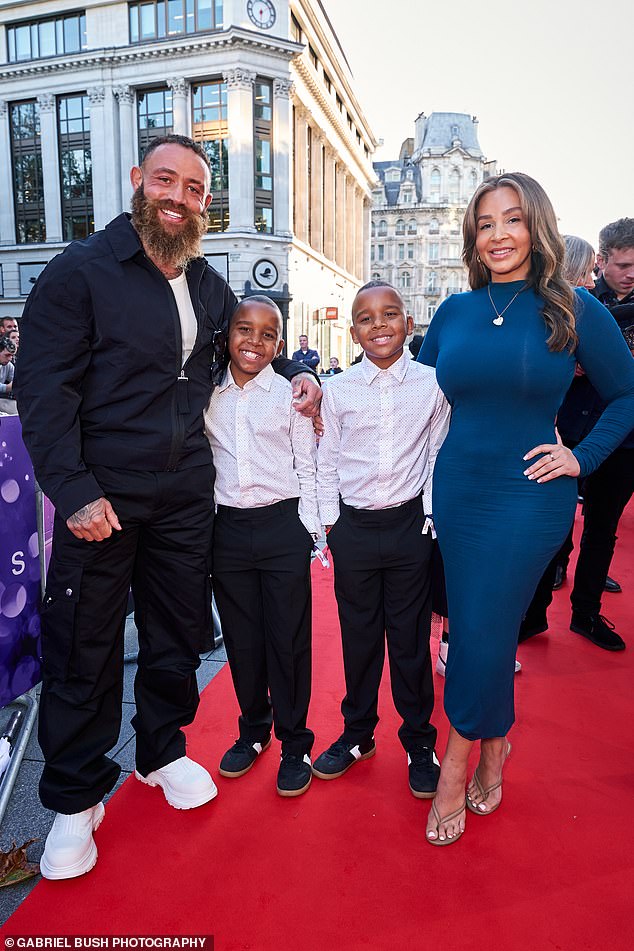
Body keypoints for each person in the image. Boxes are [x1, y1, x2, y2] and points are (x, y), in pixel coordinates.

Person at [15, 134, 322, 881]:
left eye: (193, 188)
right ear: (137, 182)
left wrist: (297, 371)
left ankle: (159, 748)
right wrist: (75, 490)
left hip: (187, 496)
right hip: (102, 497)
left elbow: (247, 346)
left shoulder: (207, 284)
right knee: (84, 644)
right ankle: (74, 796)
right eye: (166, 181)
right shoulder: (80, 271)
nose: (178, 198)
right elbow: (42, 389)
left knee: (176, 633)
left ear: (203, 202)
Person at [418, 173, 634, 846]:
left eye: (512, 219)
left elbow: (627, 394)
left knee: (480, 630)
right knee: (480, 628)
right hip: (460, 490)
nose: (499, 234)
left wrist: (582, 456)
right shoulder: (454, 311)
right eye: (485, 223)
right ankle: (495, 745)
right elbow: (411, 394)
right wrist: (314, 391)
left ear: (535, 227)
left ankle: (455, 761)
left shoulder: (572, 307)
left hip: (530, 492)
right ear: (473, 237)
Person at [313, 280, 450, 798]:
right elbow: (327, 463)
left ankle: (419, 742)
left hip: (410, 529)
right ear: (353, 332)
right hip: (354, 529)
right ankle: (357, 735)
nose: (379, 326)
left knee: (411, 641)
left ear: (409, 324)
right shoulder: (340, 390)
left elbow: (437, 453)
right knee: (360, 638)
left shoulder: (434, 385)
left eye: (390, 314)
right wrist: (330, 525)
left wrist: (431, 516)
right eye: (366, 319)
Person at [205, 296, 320, 798]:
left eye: (268, 334)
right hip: (226, 529)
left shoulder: (292, 395)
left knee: (289, 639)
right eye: (244, 330)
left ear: (280, 343)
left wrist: (315, 532)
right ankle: (254, 729)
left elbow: (310, 465)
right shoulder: (208, 394)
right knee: (242, 638)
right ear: (227, 335)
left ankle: (295, 741)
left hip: (282, 526)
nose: (254, 342)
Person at [0, 336, 18, 415]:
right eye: (7, 355)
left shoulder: (8, 365)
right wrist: (8, 387)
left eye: (12, 355)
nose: (10, 358)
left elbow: (17, 379)